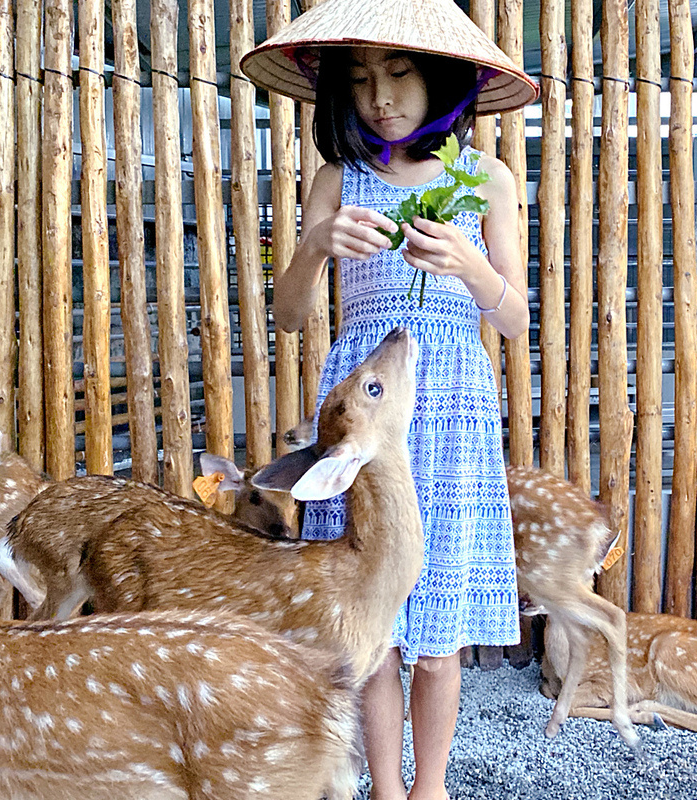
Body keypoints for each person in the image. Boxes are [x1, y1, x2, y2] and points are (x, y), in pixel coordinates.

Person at [243, 2, 540, 798]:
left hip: (450, 410)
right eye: (364, 79)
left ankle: (430, 786)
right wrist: (314, 245)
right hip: (366, 413)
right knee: (368, 620)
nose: (381, 96)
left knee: (437, 629)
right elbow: (290, 315)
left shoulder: (488, 178)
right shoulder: (340, 181)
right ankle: (384, 786)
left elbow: (513, 319)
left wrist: (470, 268)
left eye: (400, 73)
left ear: (441, 79)